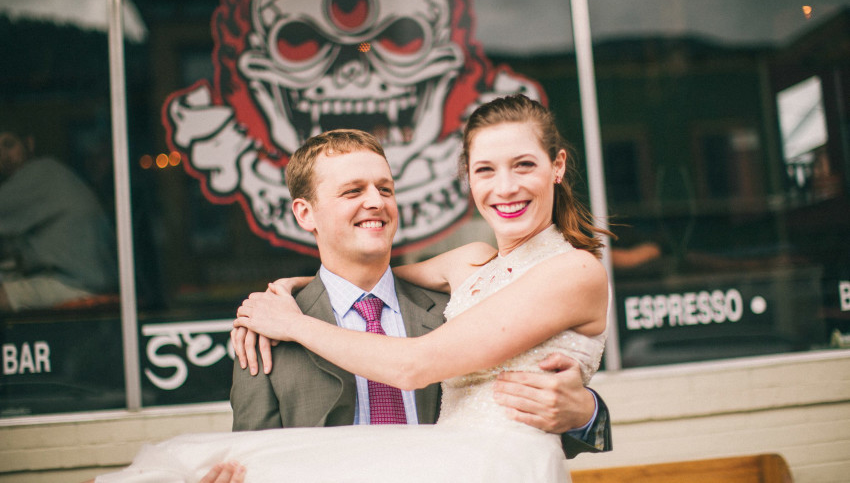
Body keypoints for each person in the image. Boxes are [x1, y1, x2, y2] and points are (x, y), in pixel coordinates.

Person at [97, 95, 611, 482]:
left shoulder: (566, 273)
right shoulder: (471, 266)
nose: (505, 186)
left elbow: (415, 365)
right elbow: (251, 453)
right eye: (352, 191)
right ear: (305, 214)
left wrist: (586, 413)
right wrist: (305, 286)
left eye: (385, 188)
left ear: (557, 166)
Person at [0, 120, 118, 312]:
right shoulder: (51, 173)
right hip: (90, 280)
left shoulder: (40, 172)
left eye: (8, 145)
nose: (3, 156)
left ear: (29, 144)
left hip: (77, 283)